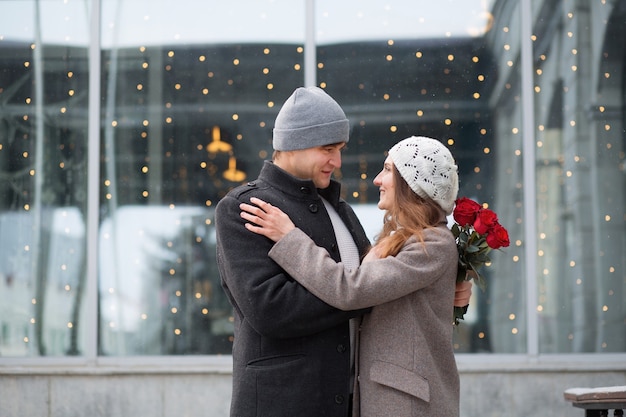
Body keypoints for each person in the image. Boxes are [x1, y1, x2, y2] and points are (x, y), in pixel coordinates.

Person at [240, 135, 464, 417]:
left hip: (406, 402)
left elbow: (351, 290)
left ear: (412, 184)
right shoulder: (401, 240)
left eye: (388, 170)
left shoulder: (433, 244)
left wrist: (290, 238)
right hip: (384, 396)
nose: (377, 180)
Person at [215, 86, 372, 417]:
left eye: (340, 149)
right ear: (291, 145)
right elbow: (270, 309)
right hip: (281, 403)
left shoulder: (341, 210)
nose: (337, 161)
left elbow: (380, 279)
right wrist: (361, 293)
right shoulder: (245, 207)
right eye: (328, 148)